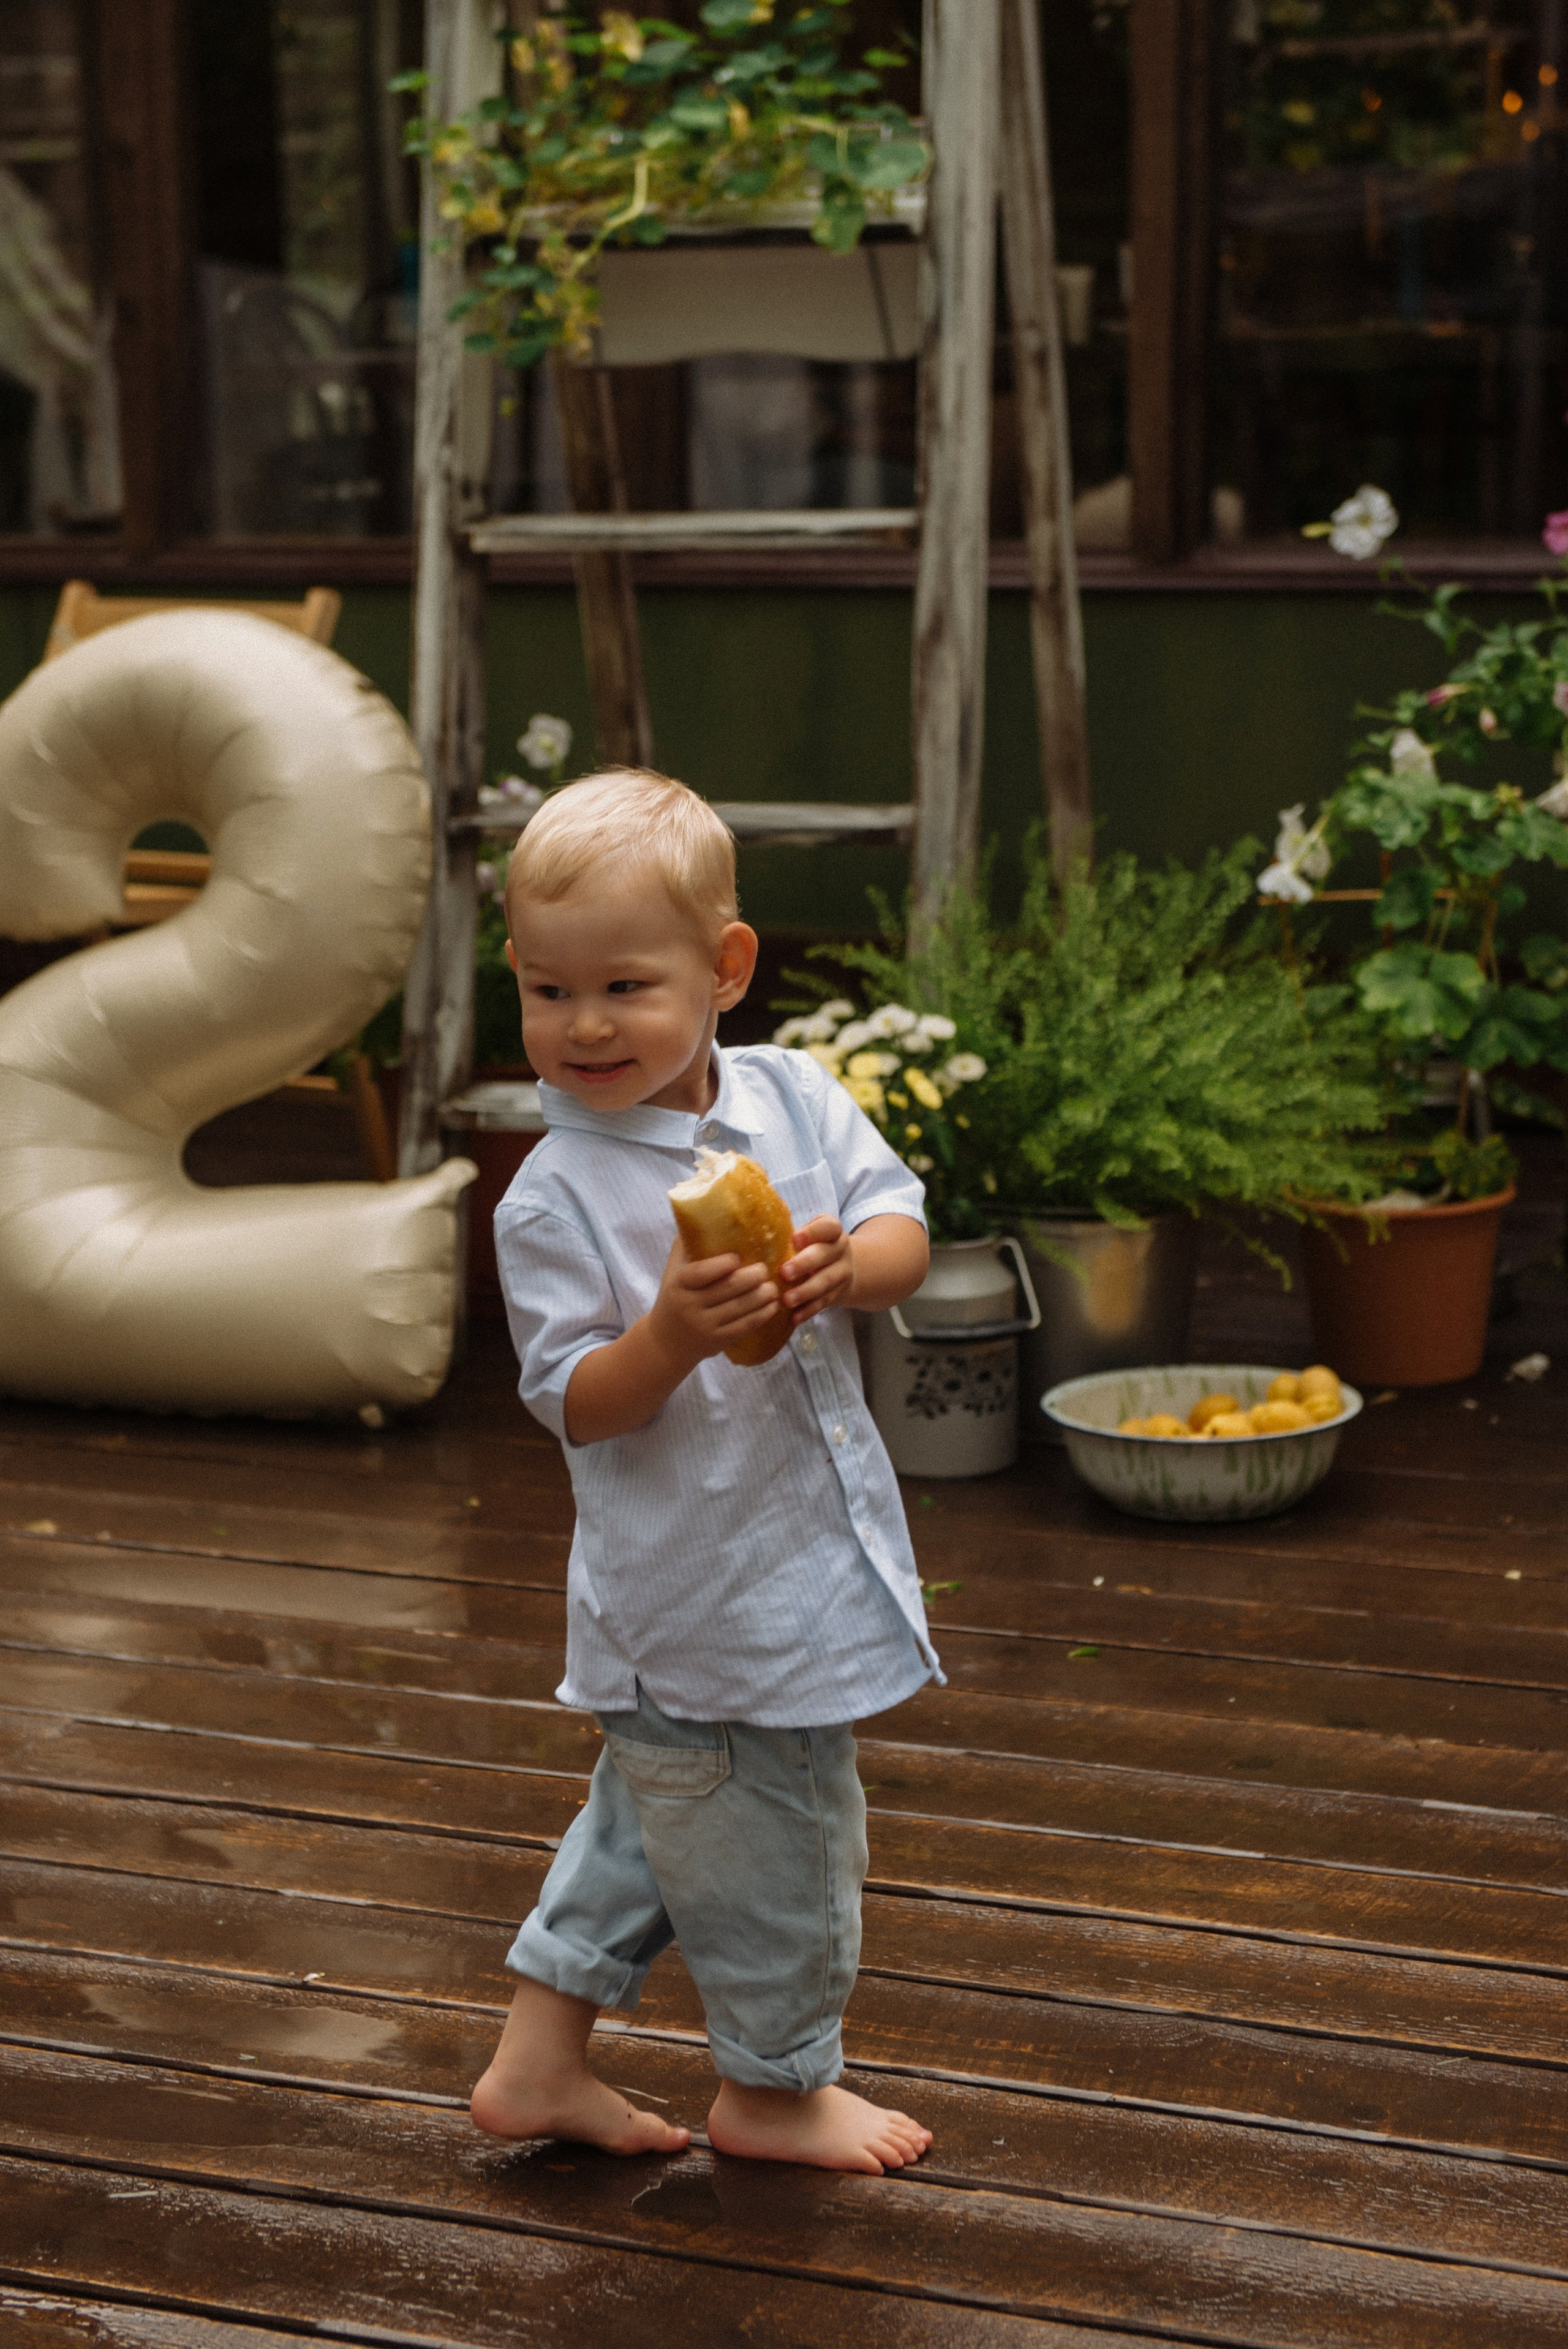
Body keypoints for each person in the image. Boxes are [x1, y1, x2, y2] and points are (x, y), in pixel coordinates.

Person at [470, 766, 940, 2176]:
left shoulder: (794, 1097)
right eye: (547, 993)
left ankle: (536, 2062)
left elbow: (906, 1225)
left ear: (724, 968)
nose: (585, 1024)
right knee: (783, 1839)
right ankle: (774, 2086)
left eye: (624, 984)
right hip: (711, 1599)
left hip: (790, 1557)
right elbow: (576, 1401)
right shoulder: (554, 1195)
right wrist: (671, 1329)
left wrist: (847, 1264)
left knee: (650, 1816)